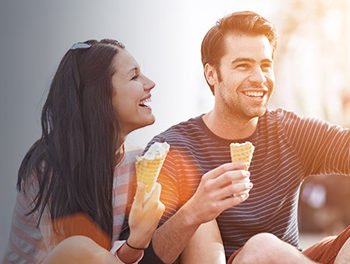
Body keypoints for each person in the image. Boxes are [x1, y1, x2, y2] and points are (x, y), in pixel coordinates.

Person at [136, 11, 350, 264]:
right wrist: (193, 212)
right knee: (264, 247)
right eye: (243, 65)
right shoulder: (172, 150)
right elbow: (142, 258)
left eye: (265, 65)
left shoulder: (289, 131)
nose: (259, 78)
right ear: (211, 74)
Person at [2, 39, 165, 264]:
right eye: (134, 76)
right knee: (80, 248)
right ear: (101, 94)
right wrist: (136, 241)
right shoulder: (48, 165)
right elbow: (76, 258)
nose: (150, 83)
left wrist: (138, 240)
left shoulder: (137, 160)